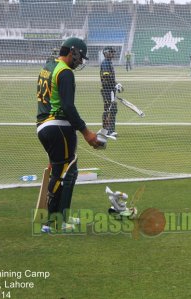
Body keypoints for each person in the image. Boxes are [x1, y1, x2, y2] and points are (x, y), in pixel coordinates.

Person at [36, 37, 103, 233]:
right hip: (58, 126)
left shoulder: (48, 66)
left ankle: (61, 217)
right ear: (72, 51)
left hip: (44, 126)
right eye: (80, 57)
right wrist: (86, 132)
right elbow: (68, 107)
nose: (80, 61)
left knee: (68, 171)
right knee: (63, 173)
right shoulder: (65, 73)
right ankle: (52, 222)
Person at [100, 46, 123, 137]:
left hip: (110, 89)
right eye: (111, 52)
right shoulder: (106, 63)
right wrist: (115, 84)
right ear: (106, 53)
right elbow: (106, 76)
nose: (113, 54)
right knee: (110, 109)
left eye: (113, 52)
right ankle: (108, 131)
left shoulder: (108, 62)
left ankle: (108, 130)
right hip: (107, 89)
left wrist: (115, 85)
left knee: (111, 109)